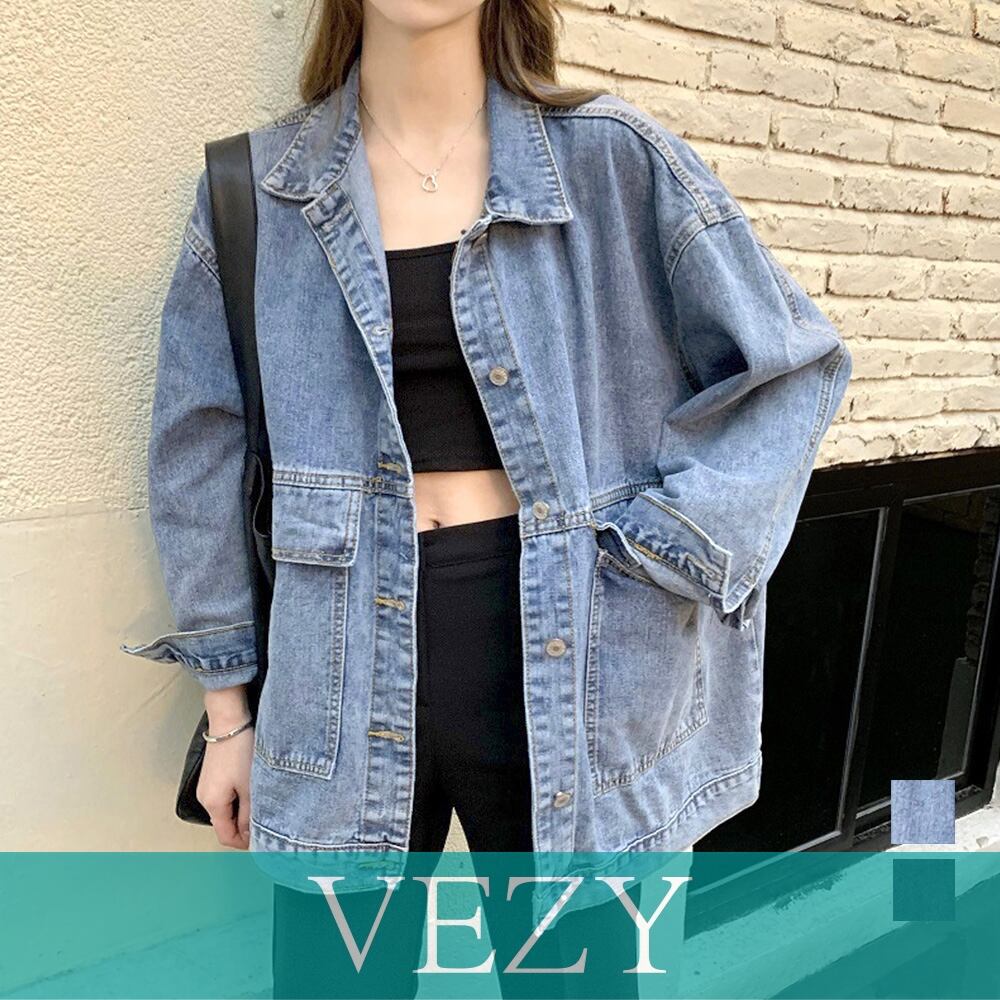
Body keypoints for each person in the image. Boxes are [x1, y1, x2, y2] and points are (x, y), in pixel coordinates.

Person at [121, 0, 853, 995]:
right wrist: (228, 715)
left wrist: (666, 547)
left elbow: (791, 370)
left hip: (576, 650)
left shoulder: (612, 160)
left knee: (575, 982)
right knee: (337, 984)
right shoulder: (254, 190)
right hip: (334, 668)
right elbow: (197, 455)